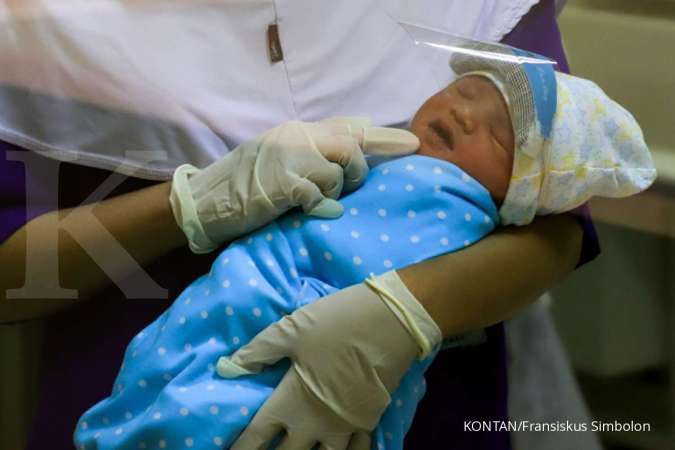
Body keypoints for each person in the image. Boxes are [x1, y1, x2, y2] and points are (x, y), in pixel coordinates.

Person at [0, 1, 599, 449]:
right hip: (141, 402)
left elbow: (559, 224)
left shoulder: (476, 8)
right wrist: (189, 206)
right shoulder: (34, 22)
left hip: (419, 398)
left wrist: (406, 312)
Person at [74, 65, 654, 450]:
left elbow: (352, 259)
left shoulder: (454, 203)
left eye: (500, 132)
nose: (465, 112)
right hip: (237, 311)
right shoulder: (393, 160)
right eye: (464, 89)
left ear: (527, 189)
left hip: (295, 333)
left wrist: (400, 305)